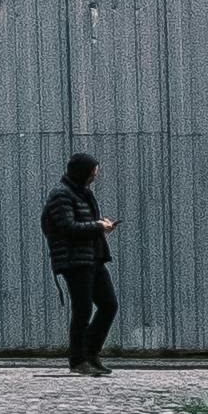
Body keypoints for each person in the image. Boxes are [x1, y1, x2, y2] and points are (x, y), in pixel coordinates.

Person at [44, 152, 118, 376]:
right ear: (82, 172)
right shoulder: (61, 195)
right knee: (83, 309)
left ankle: (91, 354)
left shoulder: (83, 194)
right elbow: (67, 227)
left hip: (92, 257)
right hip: (74, 260)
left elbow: (83, 223)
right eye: (92, 172)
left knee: (108, 305)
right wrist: (97, 226)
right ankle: (78, 359)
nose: (94, 177)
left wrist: (101, 225)